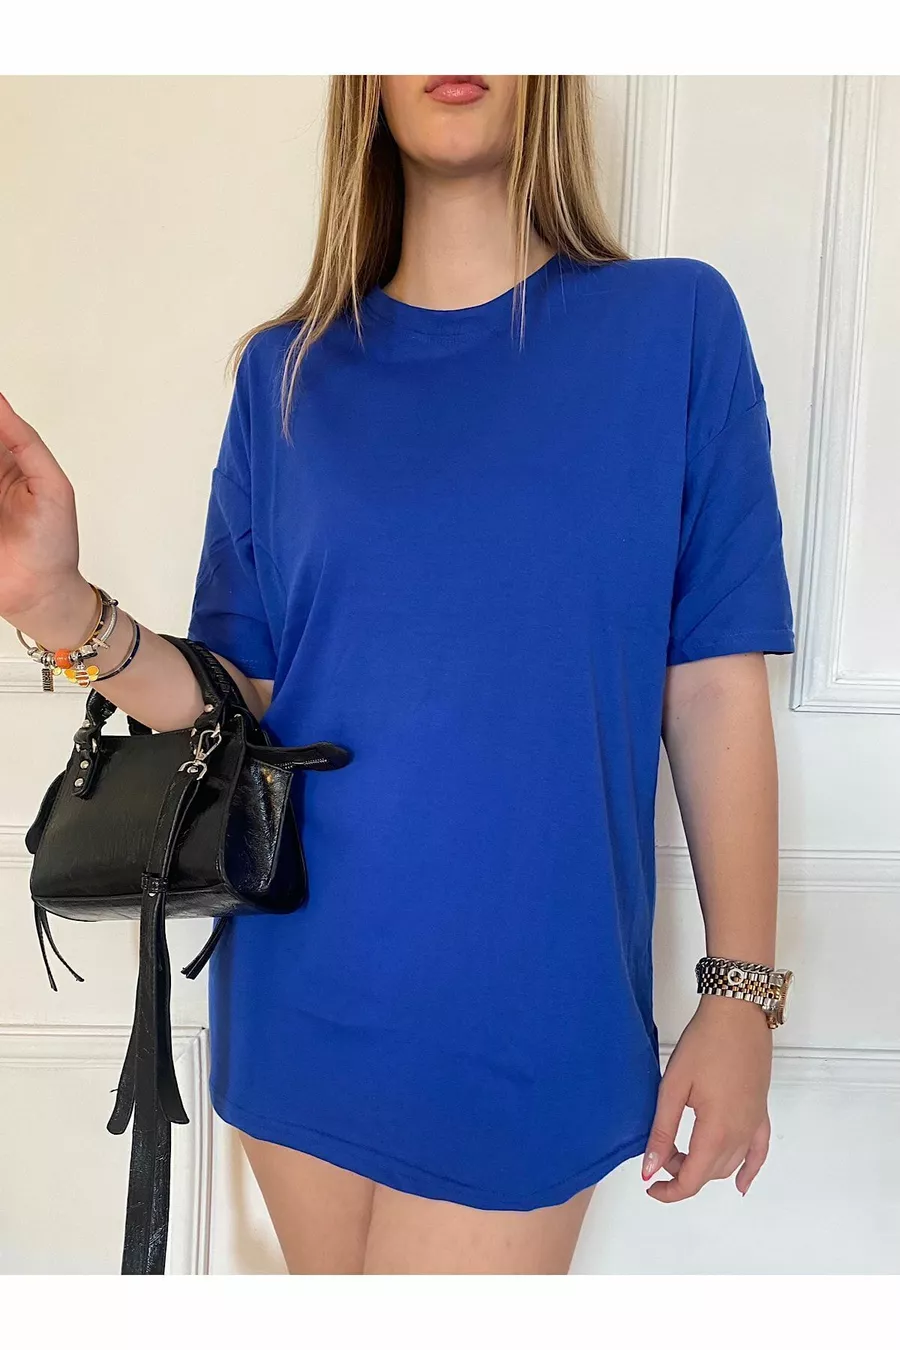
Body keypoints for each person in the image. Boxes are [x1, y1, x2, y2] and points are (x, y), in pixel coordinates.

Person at [0, 75, 796, 1275]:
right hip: (301, 999)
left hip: (532, 1007)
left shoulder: (673, 328)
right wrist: (57, 606)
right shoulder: (286, 372)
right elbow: (243, 708)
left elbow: (713, 683)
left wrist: (741, 993)